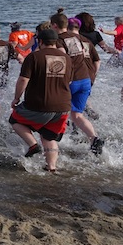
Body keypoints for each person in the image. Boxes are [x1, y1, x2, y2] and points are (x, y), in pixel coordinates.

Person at [9, 29, 73, 173]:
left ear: (40, 41)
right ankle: (51, 167)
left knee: (15, 120)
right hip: (63, 106)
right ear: (56, 42)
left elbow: (23, 79)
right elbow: (69, 80)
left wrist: (16, 98)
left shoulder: (34, 57)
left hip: (39, 104)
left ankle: (33, 145)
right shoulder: (67, 58)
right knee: (49, 135)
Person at [49, 11, 103, 154]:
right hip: (85, 79)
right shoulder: (79, 38)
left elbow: (63, 58)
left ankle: (55, 137)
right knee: (77, 114)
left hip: (71, 80)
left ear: (54, 25)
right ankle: (94, 139)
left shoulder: (59, 39)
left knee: (57, 109)